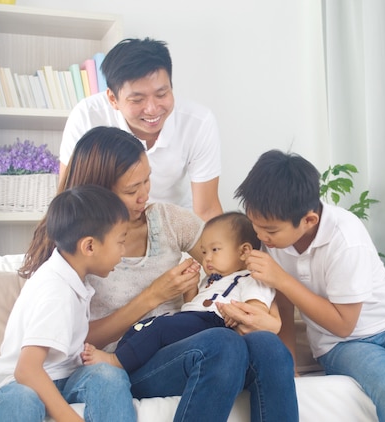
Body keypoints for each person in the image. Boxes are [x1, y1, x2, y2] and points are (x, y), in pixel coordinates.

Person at [21, 127, 298, 422]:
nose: (145, 195)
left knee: (267, 346)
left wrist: (264, 313)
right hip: (125, 361)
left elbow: (239, 253)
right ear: (98, 194)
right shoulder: (80, 249)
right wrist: (154, 295)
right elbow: (71, 341)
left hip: (190, 344)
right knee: (222, 344)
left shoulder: (168, 220)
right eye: (131, 190)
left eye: (147, 180)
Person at [233, 149, 385, 422]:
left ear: (309, 220)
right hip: (338, 344)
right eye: (255, 226)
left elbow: (344, 322)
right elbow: (283, 307)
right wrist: (289, 364)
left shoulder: (346, 237)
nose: (261, 236)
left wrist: (282, 278)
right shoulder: (271, 242)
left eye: (269, 231)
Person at [0, 185, 135, 422]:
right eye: (120, 241)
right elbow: (27, 370)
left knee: (108, 375)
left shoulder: (73, 279)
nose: (123, 252)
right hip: (19, 382)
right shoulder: (56, 291)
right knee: (22, 399)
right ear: (90, 246)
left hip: (64, 376)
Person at [82, 211, 275, 373]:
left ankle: (117, 361)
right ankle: (130, 360)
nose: (207, 258)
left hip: (215, 323)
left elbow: (255, 314)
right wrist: (191, 290)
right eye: (204, 251)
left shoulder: (251, 278)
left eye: (215, 250)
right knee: (141, 328)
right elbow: (191, 309)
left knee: (160, 327)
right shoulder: (212, 279)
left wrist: (239, 317)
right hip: (197, 321)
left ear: (244, 252)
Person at [59, 37, 223, 221]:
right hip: (106, 224)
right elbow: (69, 197)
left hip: (172, 224)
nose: (152, 109)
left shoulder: (198, 122)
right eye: (137, 100)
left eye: (162, 94)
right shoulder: (87, 116)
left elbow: (207, 209)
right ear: (113, 99)